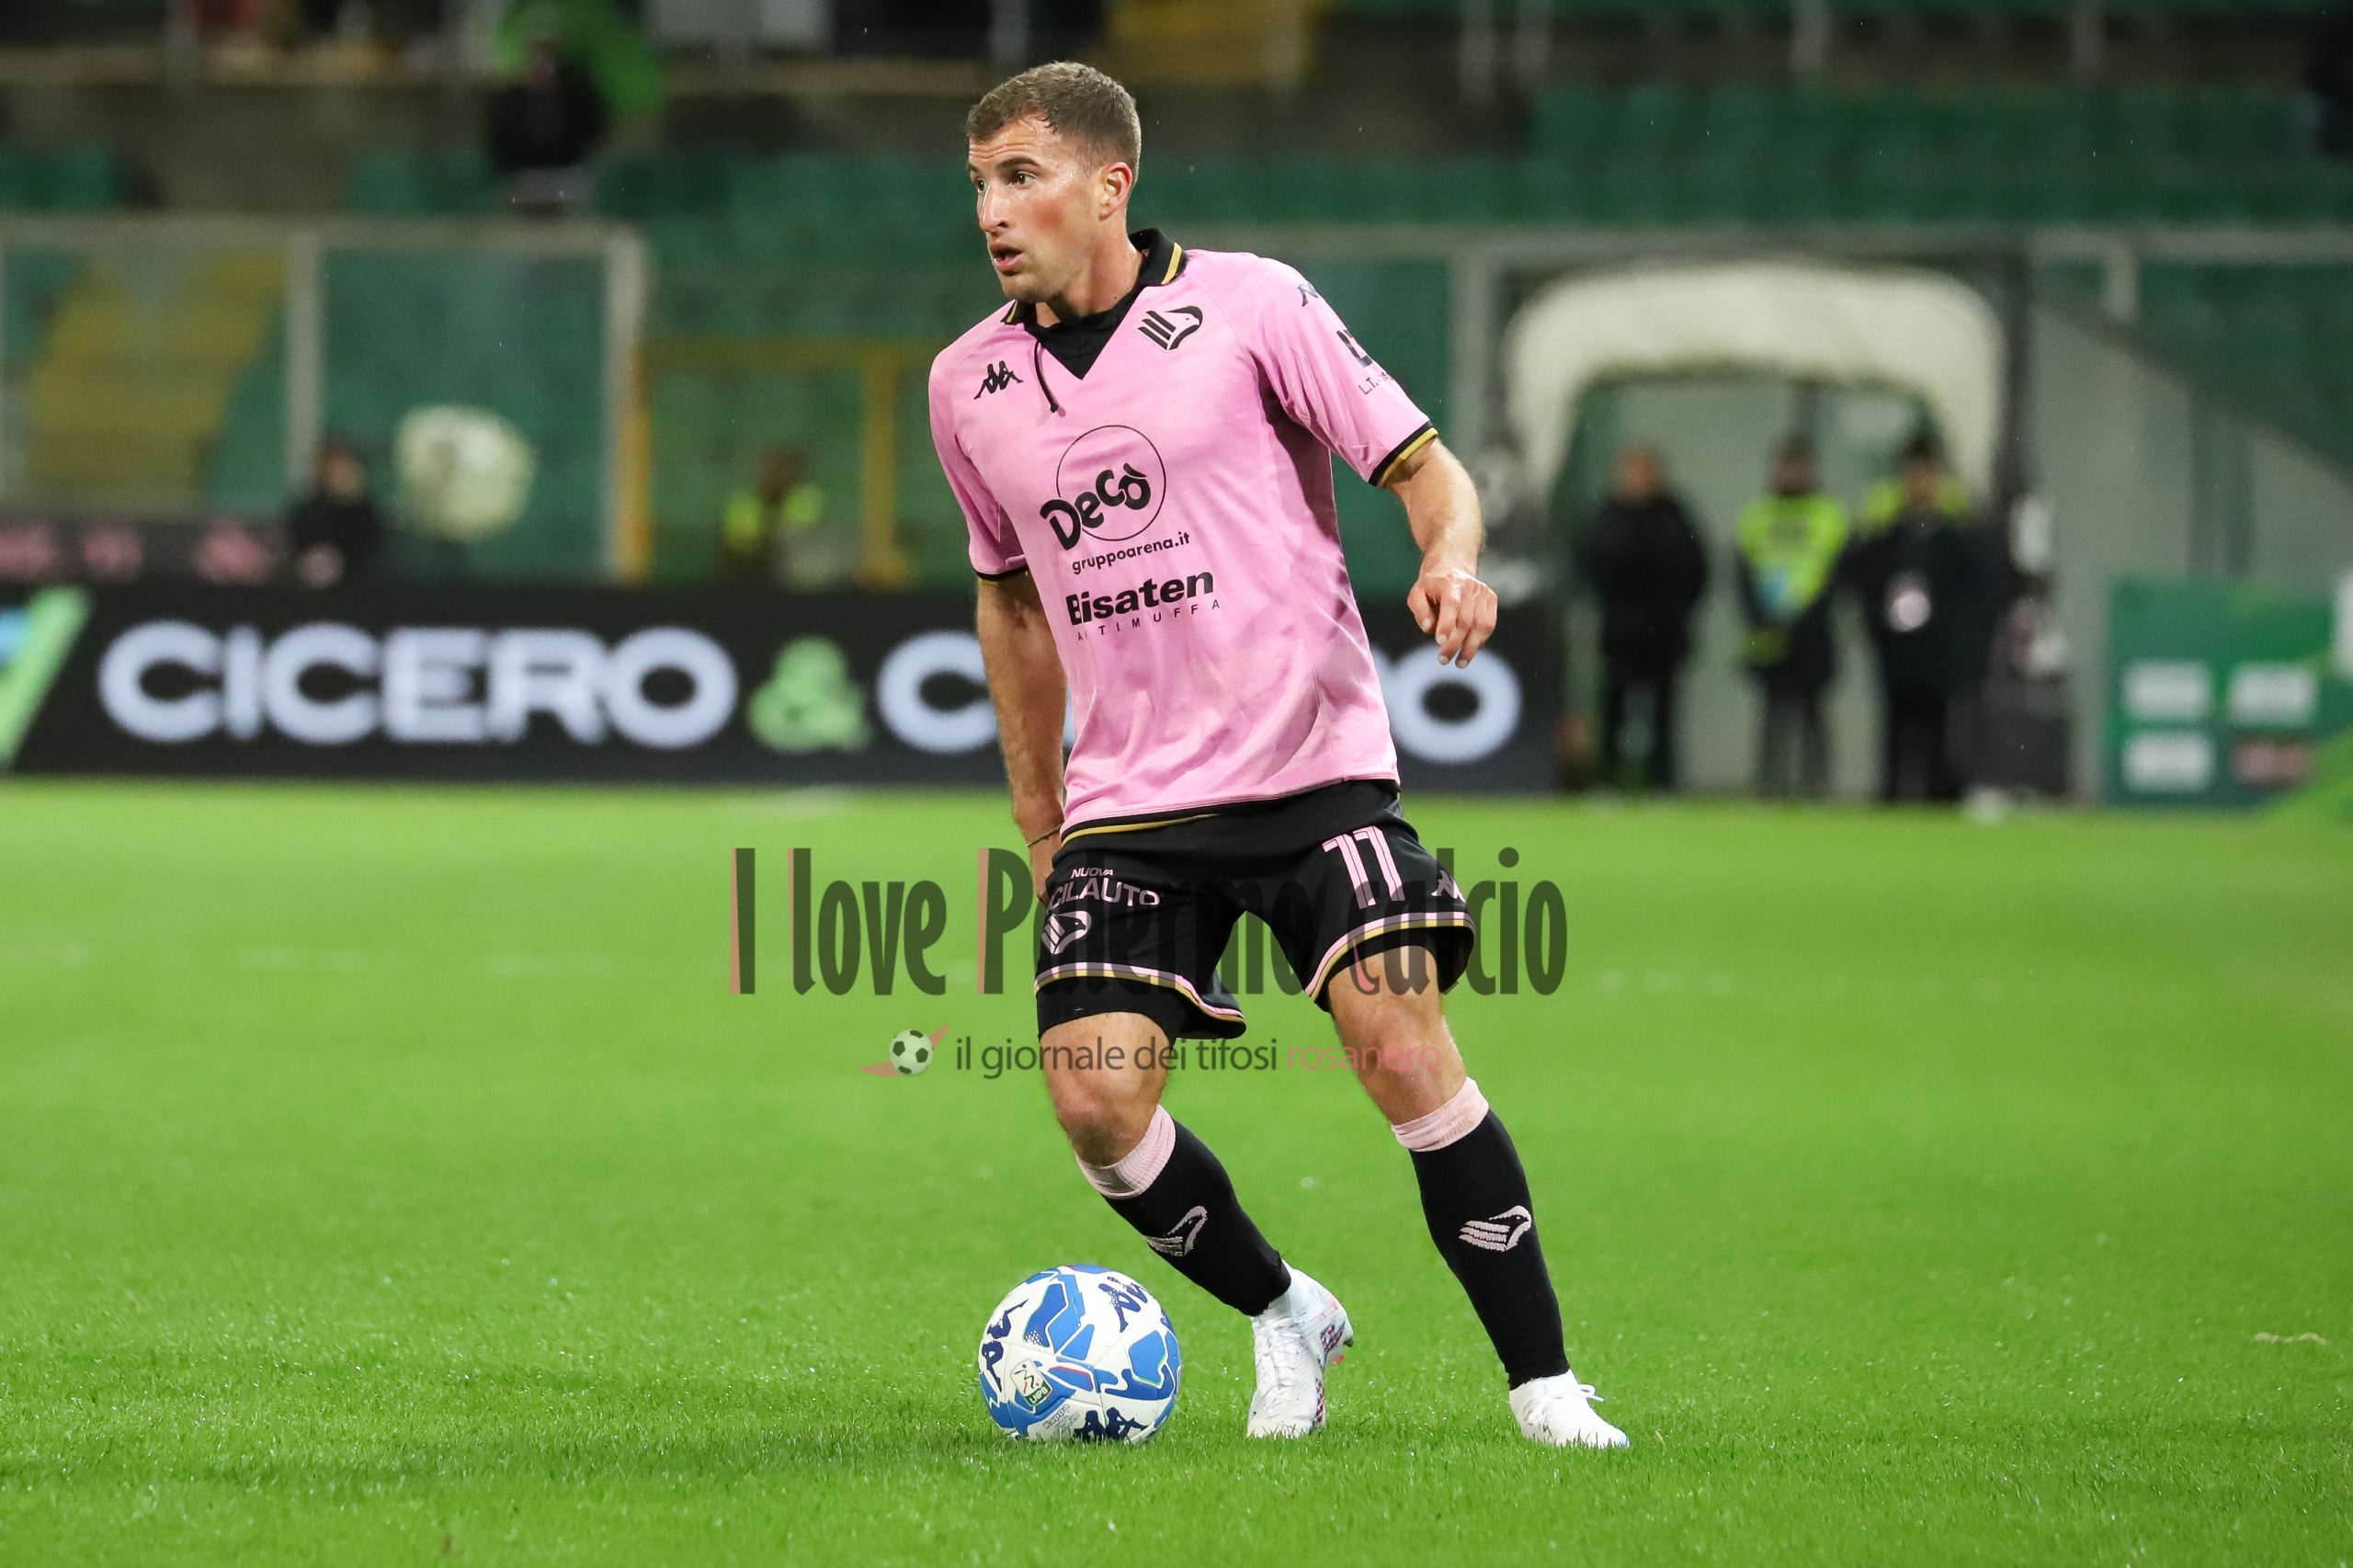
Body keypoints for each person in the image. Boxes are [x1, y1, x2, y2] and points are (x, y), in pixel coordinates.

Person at [931, 62, 1625, 1450]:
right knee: (1093, 1097)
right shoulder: (969, 384)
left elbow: (1426, 467)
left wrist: (1455, 559)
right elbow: (1007, 600)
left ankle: (1546, 1386)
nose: (994, 212)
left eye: (1021, 176)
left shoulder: (1253, 305)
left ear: (1108, 182)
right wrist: (1038, 810)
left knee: (1398, 1045)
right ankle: (1283, 1305)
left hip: (1312, 770)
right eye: (980, 186)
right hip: (1132, 801)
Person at [1845, 437, 1983, 803]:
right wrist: (1877, 625)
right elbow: (1862, 578)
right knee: (1894, 724)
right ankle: (1891, 795)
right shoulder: (1888, 535)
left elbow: (1972, 586)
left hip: (1937, 648)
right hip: (1896, 649)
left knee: (1936, 724)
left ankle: (1937, 797)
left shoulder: (1953, 537)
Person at [1574, 444, 1709, 791]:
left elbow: (1696, 572)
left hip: (1664, 634)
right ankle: (1608, 781)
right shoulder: (1608, 517)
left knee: (1664, 712)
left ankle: (1661, 782)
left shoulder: (1675, 518)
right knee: (1614, 709)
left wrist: (1673, 612)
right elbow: (1590, 565)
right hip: (1619, 633)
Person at [1734, 437, 1847, 800]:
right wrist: (1760, 618)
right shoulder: (1757, 514)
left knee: (1813, 708)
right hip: (1765, 627)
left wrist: (1804, 618)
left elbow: (1836, 572)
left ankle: (1815, 785)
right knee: (1770, 708)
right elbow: (1742, 571)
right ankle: (1768, 784)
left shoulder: (1828, 513)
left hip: (1813, 628)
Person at [484, 36, 610, 211]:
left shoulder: (576, 98)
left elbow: (594, 133)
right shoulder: (509, 103)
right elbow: (498, 145)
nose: (542, 70)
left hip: (567, 176)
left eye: (547, 64)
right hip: (523, 179)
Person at [283, 437, 386, 588]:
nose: (343, 476)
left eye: (348, 469)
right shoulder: (308, 514)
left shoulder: (367, 515)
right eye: (336, 470)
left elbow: (372, 560)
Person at [719, 445, 824, 585]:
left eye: (783, 469)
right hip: (749, 573)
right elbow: (737, 545)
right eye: (771, 469)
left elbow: (797, 541)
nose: (776, 475)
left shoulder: (807, 498)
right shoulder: (742, 502)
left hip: (794, 577)